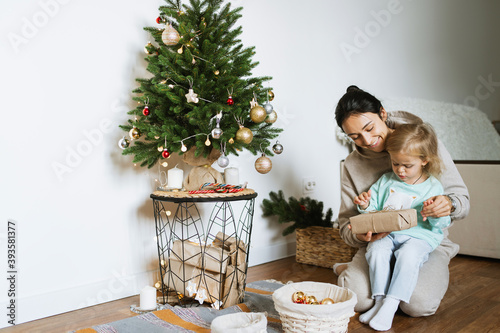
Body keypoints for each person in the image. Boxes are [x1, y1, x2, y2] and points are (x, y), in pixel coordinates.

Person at [334, 86, 469, 319]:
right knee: (356, 300)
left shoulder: (424, 142)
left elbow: (461, 201)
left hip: (424, 240)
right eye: (354, 136)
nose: (366, 140)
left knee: (417, 306)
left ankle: (406, 278)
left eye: (369, 128)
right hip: (379, 244)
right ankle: (353, 270)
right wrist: (360, 234)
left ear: (383, 114)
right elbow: (346, 223)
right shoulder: (351, 165)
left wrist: (448, 204)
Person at [352, 123, 451, 331]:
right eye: (396, 163)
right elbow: (374, 209)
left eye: (407, 165)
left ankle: (391, 303)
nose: (400, 170)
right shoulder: (387, 180)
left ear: (424, 160)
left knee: (408, 255)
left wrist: (434, 212)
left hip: (420, 236)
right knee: (376, 250)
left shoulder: (433, 187)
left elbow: (441, 224)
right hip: (389, 233)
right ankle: (379, 301)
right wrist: (364, 204)